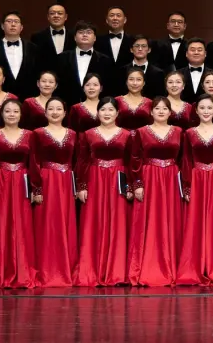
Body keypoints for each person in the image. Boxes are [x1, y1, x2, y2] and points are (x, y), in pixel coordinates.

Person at [0, 99, 36, 289]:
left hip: (21, 182)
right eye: (8, 111)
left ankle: (21, 270)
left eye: (15, 111)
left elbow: (33, 163)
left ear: (21, 115)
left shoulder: (30, 135)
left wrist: (36, 188)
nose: (11, 114)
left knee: (20, 224)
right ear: (2, 114)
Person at [177, 95, 213, 286]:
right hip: (197, 179)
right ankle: (195, 266)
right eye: (202, 108)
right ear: (196, 110)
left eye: (209, 108)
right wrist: (187, 186)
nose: (206, 111)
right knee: (196, 221)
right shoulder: (189, 133)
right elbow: (186, 161)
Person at [127, 98, 185, 286]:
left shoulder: (179, 132)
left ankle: (171, 265)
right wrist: (137, 183)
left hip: (171, 178)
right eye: (157, 108)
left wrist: (185, 184)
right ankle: (146, 266)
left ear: (170, 112)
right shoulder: (141, 132)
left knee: (170, 220)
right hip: (149, 177)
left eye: (165, 108)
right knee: (148, 219)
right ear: (151, 112)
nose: (161, 111)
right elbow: (135, 158)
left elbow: (184, 159)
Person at [74, 97, 131, 287]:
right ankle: (92, 269)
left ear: (117, 113)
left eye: (111, 110)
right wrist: (81, 186)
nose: (107, 113)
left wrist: (131, 186)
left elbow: (131, 162)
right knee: (94, 221)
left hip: (118, 179)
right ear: (97, 113)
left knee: (118, 222)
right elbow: (82, 161)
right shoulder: (88, 134)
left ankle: (116, 271)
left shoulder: (127, 134)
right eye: (103, 110)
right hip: (95, 179)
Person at [30, 98, 78, 288]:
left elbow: (76, 162)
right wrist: (37, 188)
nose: (55, 112)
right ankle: (46, 269)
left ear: (65, 113)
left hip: (66, 182)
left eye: (59, 109)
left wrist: (77, 186)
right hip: (47, 180)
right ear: (45, 112)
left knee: (65, 223)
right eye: (51, 109)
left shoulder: (73, 134)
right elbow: (34, 162)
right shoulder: (37, 133)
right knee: (46, 224)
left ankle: (66, 269)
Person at [0, 11, 41, 98]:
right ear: (2, 26)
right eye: (9, 21)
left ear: (21, 27)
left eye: (16, 21)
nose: (13, 24)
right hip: (0, 97)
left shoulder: (33, 49)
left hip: (28, 97)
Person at [55, 21, 114, 104]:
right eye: (81, 32)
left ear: (95, 38)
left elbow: (109, 87)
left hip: (96, 107)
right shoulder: (61, 58)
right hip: (66, 105)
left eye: (89, 32)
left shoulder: (106, 60)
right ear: (75, 37)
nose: (85, 35)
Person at [30, 4, 73, 73]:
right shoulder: (37, 37)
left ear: (66, 17)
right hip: (46, 78)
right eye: (52, 13)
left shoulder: (74, 36)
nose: (56, 16)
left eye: (60, 13)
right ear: (48, 17)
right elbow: (35, 62)